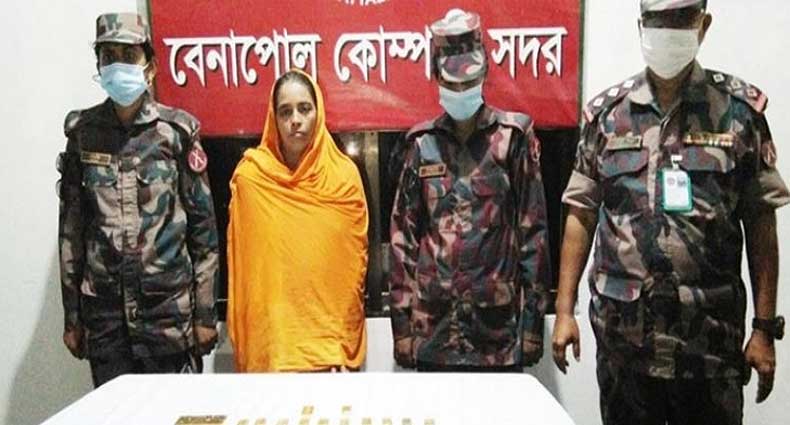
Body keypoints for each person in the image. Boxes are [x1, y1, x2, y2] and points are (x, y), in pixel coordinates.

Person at [552, 1, 788, 424]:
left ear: (704, 25)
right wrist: (565, 312)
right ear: (640, 26)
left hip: (709, 345)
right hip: (625, 341)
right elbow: (581, 213)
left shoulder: (738, 113)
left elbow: (761, 225)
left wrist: (764, 329)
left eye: (681, 20)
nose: (668, 31)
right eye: (658, 21)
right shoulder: (607, 116)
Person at [57, 13, 219, 387]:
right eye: (108, 56)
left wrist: (205, 315)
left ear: (150, 65)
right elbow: (71, 233)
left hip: (168, 319)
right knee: (115, 414)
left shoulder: (176, 132)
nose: (118, 66)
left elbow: (204, 234)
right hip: (107, 323)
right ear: (99, 64)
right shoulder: (83, 135)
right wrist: (72, 319)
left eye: (128, 55)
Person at [389, 8, 551, 372]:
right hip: (434, 330)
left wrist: (533, 323)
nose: (461, 91)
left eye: (468, 82)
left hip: (495, 332)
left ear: (485, 72)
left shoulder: (512, 139)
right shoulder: (421, 144)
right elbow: (403, 239)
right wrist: (401, 326)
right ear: (436, 78)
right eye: (453, 84)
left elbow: (534, 235)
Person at [226, 69, 369, 372]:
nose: (295, 120)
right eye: (285, 111)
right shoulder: (252, 179)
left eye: (305, 108)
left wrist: (342, 340)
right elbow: (245, 272)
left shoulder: (343, 178)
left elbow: (353, 270)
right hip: (273, 349)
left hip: (330, 352)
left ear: (319, 112)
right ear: (273, 119)